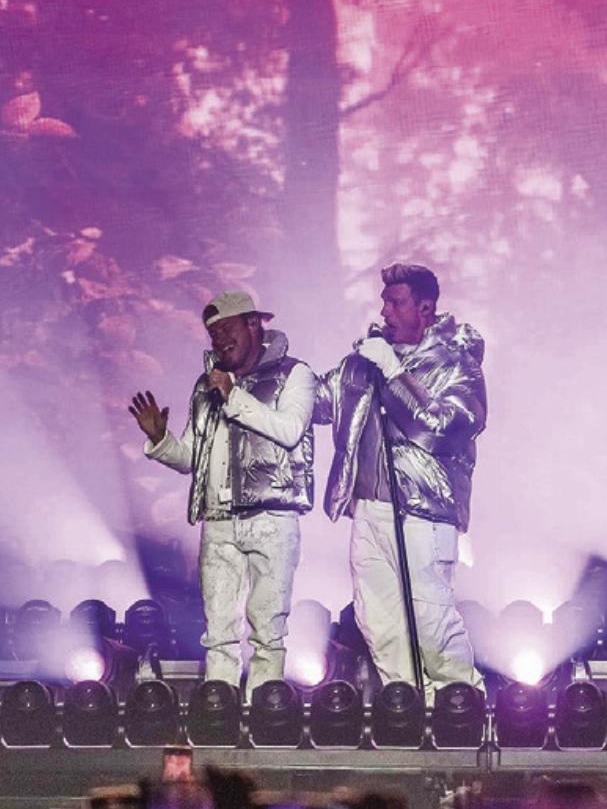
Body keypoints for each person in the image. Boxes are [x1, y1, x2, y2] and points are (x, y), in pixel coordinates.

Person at [128, 289, 315, 689]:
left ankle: (265, 708)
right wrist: (161, 440)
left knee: (268, 629)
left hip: (270, 516)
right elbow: (192, 459)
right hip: (217, 520)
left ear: (254, 324)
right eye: (213, 333)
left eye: (227, 329)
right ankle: (219, 705)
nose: (219, 339)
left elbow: (289, 430)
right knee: (218, 632)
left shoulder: (293, 374)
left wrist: (233, 395)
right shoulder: (206, 385)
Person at [317, 262, 486, 692]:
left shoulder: (456, 364)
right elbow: (317, 401)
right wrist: (269, 375)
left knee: (431, 622)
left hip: (422, 515)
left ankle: (460, 703)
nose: (384, 312)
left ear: (425, 308)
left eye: (395, 302)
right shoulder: (366, 361)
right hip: (369, 512)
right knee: (378, 622)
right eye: (384, 302)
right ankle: (408, 704)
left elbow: (442, 428)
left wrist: (394, 374)